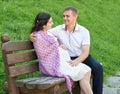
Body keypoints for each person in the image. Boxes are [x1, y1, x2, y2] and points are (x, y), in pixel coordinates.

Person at [30, 6, 103, 94]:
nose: (65, 18)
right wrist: (31, 36)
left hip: (81, 57)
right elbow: (44, 32)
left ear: (75, 16)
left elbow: (85, 52)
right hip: (67, 59)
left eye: (68, 16)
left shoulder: (84, 31)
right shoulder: (58, 29)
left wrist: (77, 61)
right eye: (64, 16)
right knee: (84, 72)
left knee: (98, 67)